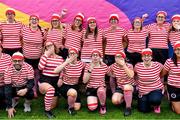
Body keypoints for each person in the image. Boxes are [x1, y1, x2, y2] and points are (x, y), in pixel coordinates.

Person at [54, 48, 84, 115]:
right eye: (71, 53)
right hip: (65, 85)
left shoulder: (81, 64)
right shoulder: (66, 63)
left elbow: (90, 66)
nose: (72, 55)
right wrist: (66, 62)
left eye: (74, 53)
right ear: (68, 55)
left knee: (77, 107)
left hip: (75, 86)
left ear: (77, 55)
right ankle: (70, 108)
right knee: (72, 93)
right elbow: (56, 71)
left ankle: (70, 102)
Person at [4, 52, 34, 118]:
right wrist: (9, 107)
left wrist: (26, 90)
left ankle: (27, 104)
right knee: (6, 92)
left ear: (23, 60)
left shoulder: (29, 67)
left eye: (19, 61)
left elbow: (31, 82)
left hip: (24, 86)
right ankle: (13, 101)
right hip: (13, 87)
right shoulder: (7, 70)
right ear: (12, 61)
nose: (17, 63)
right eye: (15, 61)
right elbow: (7, 88)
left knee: (31, 93)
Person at [38, 41, 64, 118]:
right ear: (45, 49)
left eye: (51, 45)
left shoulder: (60, 58)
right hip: (45, 79)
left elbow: (62, 70)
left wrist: (60, 78)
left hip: (55, 80)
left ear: (54, 46)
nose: (49, 47)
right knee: (50, 90)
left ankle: (51, 98)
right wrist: (46, 55)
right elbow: (40, 67)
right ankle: (47, 111)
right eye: (47, 46)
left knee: (53, 105)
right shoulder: (44, 56)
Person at [134, 48, 164, 113]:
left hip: (155, 88)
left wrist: (161, 81)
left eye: (148, 55)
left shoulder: (158, 65)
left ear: (151, 57)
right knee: (143, 110)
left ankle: (156, 105)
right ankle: (147, 101)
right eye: (144, 56)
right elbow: (135, 75)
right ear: (142, 57)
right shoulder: (137, 66)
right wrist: (137, 84)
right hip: (143, 91)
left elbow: (163, 72)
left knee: (155, 100)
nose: (146, 58)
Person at [21, 14, 44, 97]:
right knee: (28, 74)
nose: (34, 20)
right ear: (29, 21)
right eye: (32, 19)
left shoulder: (42, 31)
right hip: (26, 57)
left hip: (37, 57)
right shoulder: (24, 29)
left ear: (38, 21)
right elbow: (20, 39)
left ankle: (35, 90)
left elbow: (44, 44)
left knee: (36, 74)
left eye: (36, 19)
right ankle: (28, 90)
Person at [103, 14, 127, 94]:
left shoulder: (122, 30)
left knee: (120, 73)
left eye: (115, 20)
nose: (113, 21)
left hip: (119, 55)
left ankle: (121, 90)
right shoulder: (105, 31)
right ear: (110, 21)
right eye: (112, 20)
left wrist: (121, 49)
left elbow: (126, 41)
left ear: (117, 21)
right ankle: (113, 92)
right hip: (109, 54)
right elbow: (103, 43)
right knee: (111, 74)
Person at [83, 49, 109, 115]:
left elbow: (111, 73)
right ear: (91, 57)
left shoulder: (104, 66)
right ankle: (97, 99)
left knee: (101, 91)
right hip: (91, 88)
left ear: (100, 57)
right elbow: (84, 81)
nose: (95, 57)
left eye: (97, 55)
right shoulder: (87, 66)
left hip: (101, 87)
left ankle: (103, 105)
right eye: (93, 55)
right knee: (92, 108)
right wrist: (90, 70)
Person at [109, 51, 135, 116]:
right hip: (120, 87)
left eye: (120, 57)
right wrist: (112, 75)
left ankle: (128, 107)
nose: (118, 58)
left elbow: (131, 75)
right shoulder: (113, 66)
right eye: (116, 57)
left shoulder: (129, 65)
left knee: (126, 87)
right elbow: (107, 71)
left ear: (124, 58)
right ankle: (126, 99)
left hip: (130, 86)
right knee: (115, 101)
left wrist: (123, 65)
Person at [161, 41, 180, 114]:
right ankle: (172, 102)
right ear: (174, 51)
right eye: (177, 49)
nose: (179, 51)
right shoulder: (169, 61)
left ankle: (174, 102)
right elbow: (162, 74)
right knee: (178, 112)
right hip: (173, 87)